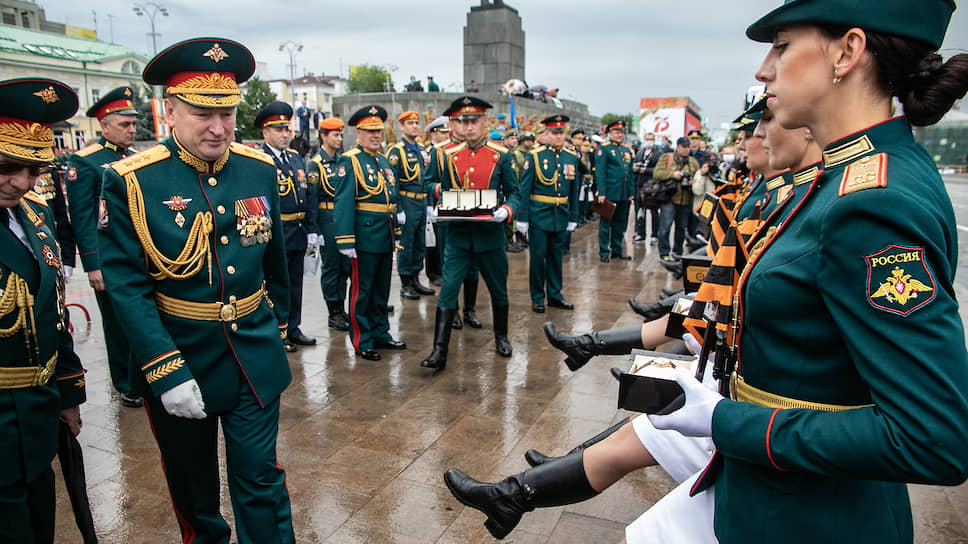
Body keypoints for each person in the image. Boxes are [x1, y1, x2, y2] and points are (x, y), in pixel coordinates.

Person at [448, 1, 968, 542]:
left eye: (783, 45)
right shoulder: (841, 179)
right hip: (769, 496)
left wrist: (722, 420)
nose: (764, 69)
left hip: (811, 518)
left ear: (849, 51)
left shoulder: (873, 201)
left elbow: (930, 436)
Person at [97, 38, 296, 543]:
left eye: (226, 113)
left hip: (252, 349)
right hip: (182, 353)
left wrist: (278, 323)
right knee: (195, 490)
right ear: (170, 111)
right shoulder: (131, 181)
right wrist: (164, 369)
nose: (218, 127)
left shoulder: (258, 168)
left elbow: (273, 260)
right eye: (202, 113)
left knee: (259, 478)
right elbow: (127, 286)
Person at [0, 77, 86, 544]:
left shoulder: (34, 213)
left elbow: (53, 312)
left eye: (33, 169)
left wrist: (68, 393)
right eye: (6, 166)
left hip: (37, 409)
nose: (21, 182)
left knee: (40, 518)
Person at [420, 96, 521, 372]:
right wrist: (441, 195)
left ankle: (501, 336)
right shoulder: (444, 153)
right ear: (456, 124)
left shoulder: (501, 154)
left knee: (498, 288)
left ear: (484, 122)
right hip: (458, 235)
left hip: (489, 236)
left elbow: (515, 192)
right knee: (449, 290)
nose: (469, 127)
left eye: (474, 121)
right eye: (463, 121)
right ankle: (439, 351)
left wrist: (507, 211)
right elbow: (427, 182)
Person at [65, 85, 143, 407]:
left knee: (141, 318)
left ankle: (144, 375)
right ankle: (125, 382)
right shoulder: (84, 163)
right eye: (125, 123)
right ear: (104, 124)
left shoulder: (138, 159)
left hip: (138, 255)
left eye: (134, 123)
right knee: (117, 324)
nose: (132, 129)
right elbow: (82, 217)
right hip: (109, 259)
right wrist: (93, 264)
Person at [334, 105, 406, 361]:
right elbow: (343, 201)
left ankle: (381, 333)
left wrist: (396, 230)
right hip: (363, 237)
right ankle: (362, 340)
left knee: (380, 290)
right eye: (370, 131)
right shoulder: (350, 160)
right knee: (361, 292)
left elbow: (389, 199)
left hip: (384, 235)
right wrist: (345, 239)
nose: (376, 136)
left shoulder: (383, 161)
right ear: (358, 133)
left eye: (379, 131)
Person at [257, 101, 317, 351]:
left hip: (298, 231)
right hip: (277, 232)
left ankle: (293, 326)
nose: (284, 134)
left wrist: (312, 229)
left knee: (295, 282)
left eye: (286, 129)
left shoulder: (294, 158)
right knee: (275, 283)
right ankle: (277, 330)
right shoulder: (260, 159)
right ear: (265, 132)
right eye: (278, 129)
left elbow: (308, 194)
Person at [517, 115, 579, 313]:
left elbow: (574, 190)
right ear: (546, 134)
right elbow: (524, 189)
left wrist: (573, 216)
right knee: (537, 258)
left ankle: (555, 295)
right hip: (538, 215)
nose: (558, 136)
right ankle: (537, 297)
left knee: (556, 258)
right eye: (554, 132)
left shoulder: (571, 158)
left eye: (561, 133)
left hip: (560, 214)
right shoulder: (535, 156)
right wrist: (523, 217)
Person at [308, 116, 351, 331]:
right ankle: (333, 311)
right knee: (332, 266)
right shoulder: (316, 165)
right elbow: (312, 200)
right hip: (327, 220)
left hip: (341, 219)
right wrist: (314, 229)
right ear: (324, 137)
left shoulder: (342, 161)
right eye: (335, 135)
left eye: (341, 135)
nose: (339, 139)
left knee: (344, 266)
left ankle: (341, 308)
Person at [388, 111, 435, 300]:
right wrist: (397, 208)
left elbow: (428, 178)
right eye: (410, 123)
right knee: (406, 244)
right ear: (401, 127)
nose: (415, 126)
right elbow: (393, 182)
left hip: (422, 200)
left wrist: (430, 204)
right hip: (406, 201)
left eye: (416, 122)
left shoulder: (422, 149)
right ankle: (406, 283)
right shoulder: (396, 151)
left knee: (420, 243)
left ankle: (416, 279)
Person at [653, 137, 700, 263]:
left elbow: (698, 178)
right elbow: (657, 174)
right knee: (665, 227)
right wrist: (673, 175)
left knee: (681, 228)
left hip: (685, 200)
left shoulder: (693, 162)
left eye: (688, 147)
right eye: (684, 147)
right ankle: (664, 253)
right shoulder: (667, 158)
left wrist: (692, 181)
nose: (686, 149)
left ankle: (677, 252)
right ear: (678, 147)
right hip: (669, 198)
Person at [594, 120, 634, 262]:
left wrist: (630, 192)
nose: (619, 135)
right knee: (606, 224)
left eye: (621, 132)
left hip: (622, 193)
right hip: (609, 192)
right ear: (609, 133)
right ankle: (604, 251)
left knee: (620, 224)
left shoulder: (625, 150)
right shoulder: (603, 149)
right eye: (616, 132)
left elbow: (629, 173)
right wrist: (602, 192)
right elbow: (600, 172)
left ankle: (617, 249)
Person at [423, 116, 450, 286]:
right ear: (434, 133)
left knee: (442, 241)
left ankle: (442, 271)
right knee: (433, 242)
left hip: (446, 203)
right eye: (443, 132)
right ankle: (434, 273)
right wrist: (428, 205)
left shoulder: (446, 150)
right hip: (433, 203)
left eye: (448, 132)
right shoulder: (432, 152)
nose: (447, 135)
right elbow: (427, 181)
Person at [632, 132, 664, 244]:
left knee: (654, 212)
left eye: (651, 139)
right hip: (640, 186)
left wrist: (645, 170)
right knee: (640, 211)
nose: (649, 141)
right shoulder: (640, 152)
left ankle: (655, 234)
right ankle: (640, 233)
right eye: (647, 138)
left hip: (652, 187)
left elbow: (659, 170)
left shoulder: (659, 153)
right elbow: (635, 165)